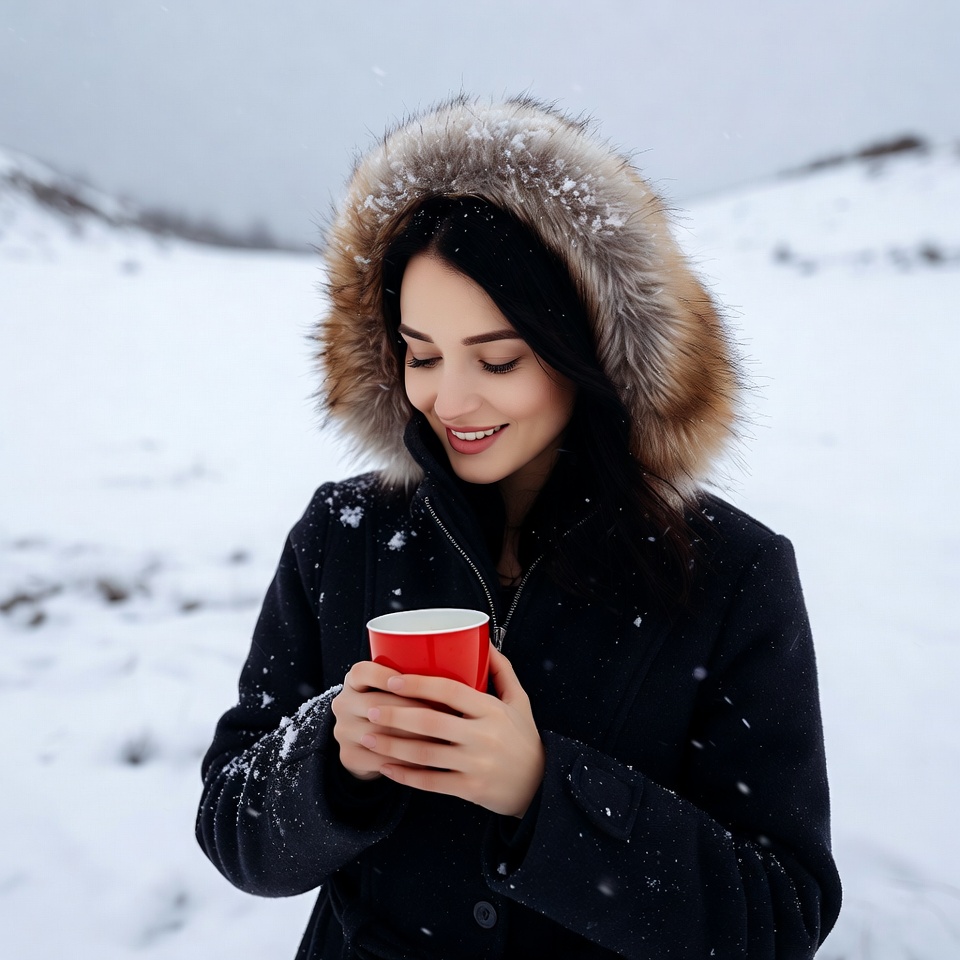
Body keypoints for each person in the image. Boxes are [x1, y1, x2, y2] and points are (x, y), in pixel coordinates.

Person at [196, 96, 842, 959]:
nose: (450, 400)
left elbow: (778, 916)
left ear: (593, 346)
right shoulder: (341, 535)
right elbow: (232, 826)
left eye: (498, 359)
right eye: (421, 354)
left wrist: (544, 793)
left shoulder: (730, 571)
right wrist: (332, 759)